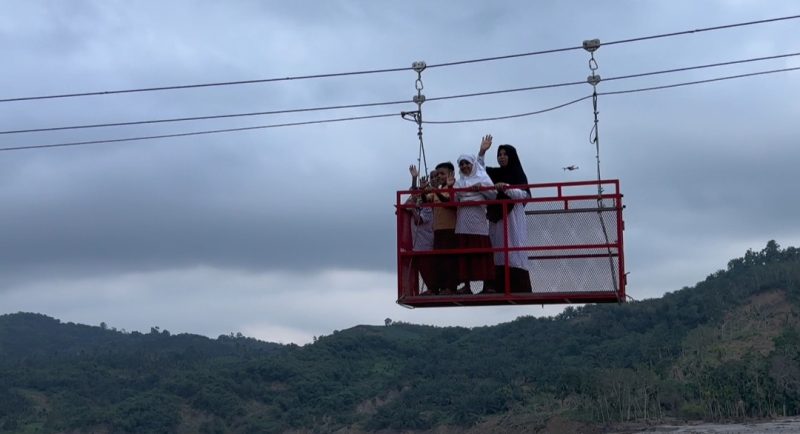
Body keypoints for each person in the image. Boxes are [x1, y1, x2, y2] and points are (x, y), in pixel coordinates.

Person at [478, 134, 532, 292]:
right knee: (496, 250)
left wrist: (507, 188)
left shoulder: (517, 174)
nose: (501, 157)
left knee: (513, 250)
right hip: (496, 217)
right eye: (499, 155)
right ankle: (495, 286)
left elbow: (524, 195)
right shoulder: (495, 173)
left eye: (504, 154)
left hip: (513, 217)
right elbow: (479, 171)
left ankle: (517, 287)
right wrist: (482, 151)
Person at [454, 153, 496, 294]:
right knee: (465, 255)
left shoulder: (482, 178)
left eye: (467, 163)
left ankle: (488, 286)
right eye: (462, 164)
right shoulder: (458, 182)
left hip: (478, 223)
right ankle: (466, 286)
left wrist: (481, 187)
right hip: (463, 222)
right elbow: (455, 198)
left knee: (482, 253)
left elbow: (493, 195)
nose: (465, 166)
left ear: (473, 164)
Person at [425, 162, 458, 294]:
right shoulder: (439, 188)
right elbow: (426, 200)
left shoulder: (453, 187)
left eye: (442, 173)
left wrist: (436, 191)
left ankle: (450, 287)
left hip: (450, 229)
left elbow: (449, 203)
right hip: (438, 229)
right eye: (438, 174)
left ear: (451, 174)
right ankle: (440, 287)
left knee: (449, 260)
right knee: (439, 260)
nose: (439, 176)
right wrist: (423, 190)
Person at [406, 165, 436, 294]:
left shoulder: (428, 207)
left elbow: (419, 220)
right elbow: (411, 197)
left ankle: (432, 288)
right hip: (418, 242)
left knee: (427, 267)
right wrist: (414, 178)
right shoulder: (419, 202)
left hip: (426, 241)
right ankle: (431, 288)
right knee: (422, 267)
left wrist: (413, 208)